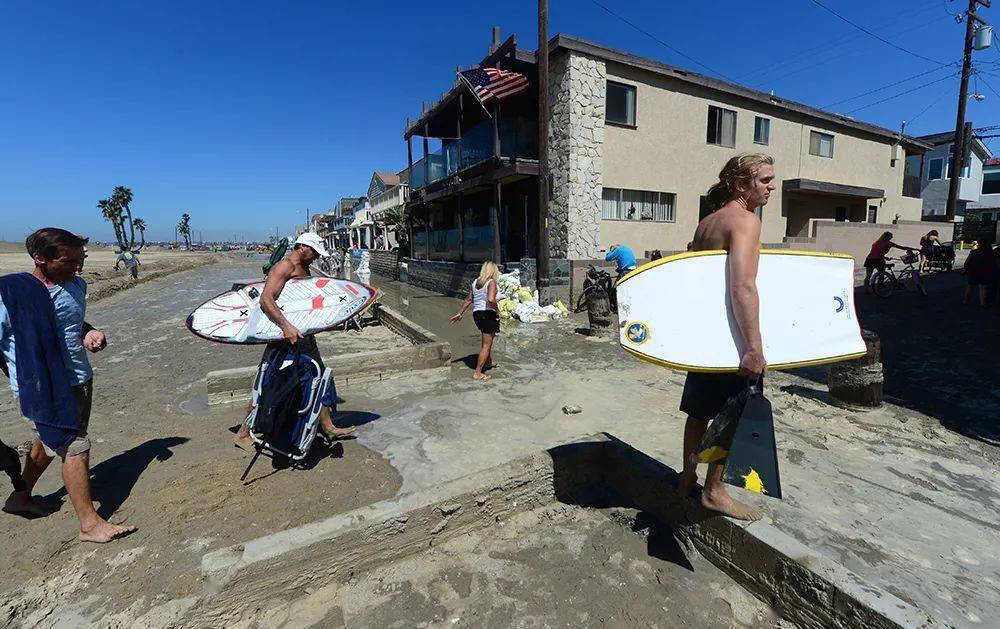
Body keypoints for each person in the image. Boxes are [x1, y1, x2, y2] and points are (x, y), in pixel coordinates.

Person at [0, 228, 136, 541]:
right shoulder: (10, 296)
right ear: (40, 259)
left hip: (78, 378)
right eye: (69, 261)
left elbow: (71, 323)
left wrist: (89, 333)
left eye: (81, 259)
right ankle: (90, 524)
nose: (79, 266)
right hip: (43, 387)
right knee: (75, 446)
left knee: (50, 443)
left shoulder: (77, 285)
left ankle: (20, 496)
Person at [679, 153, 776, 522]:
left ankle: (688, 477)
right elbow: (742, 287)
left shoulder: (707, 223)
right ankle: (714, 491)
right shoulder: (746, 221)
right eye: (765, 179)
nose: (772, 186)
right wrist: (753, 347)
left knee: (698, 414)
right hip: (731, 340)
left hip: (706, 339)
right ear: (741, 185)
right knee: (732, 415)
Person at [234, 232, 356, 451]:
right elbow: (266, 299)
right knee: (269, 381)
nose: (316, 257)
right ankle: (243, 433)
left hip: (304, 337)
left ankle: (327, 425)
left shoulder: (305, 267)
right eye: (314, 252)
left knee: (320, 376)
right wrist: (286, 327)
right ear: (302, 248)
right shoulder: (284, 267)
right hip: (283, 337)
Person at [451, 261, 501, 381]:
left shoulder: (476, 282)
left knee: (487, 341)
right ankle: (478, 373)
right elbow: (491, 300)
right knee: (486, 345)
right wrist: (498, 311)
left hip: (477, 314)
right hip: (488, 314)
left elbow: (469, 299)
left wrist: (460, 313)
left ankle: (488, 363)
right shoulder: (491, 282)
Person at [963, 239, 996, 306]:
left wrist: (965, 269)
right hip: (985, 271)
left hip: (973, 271)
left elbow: (967, 262)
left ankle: (966, 301)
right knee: (983, 288)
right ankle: (983, 303)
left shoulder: (974, 252)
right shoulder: (991, 254)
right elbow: (994, 263)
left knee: (970, 286)